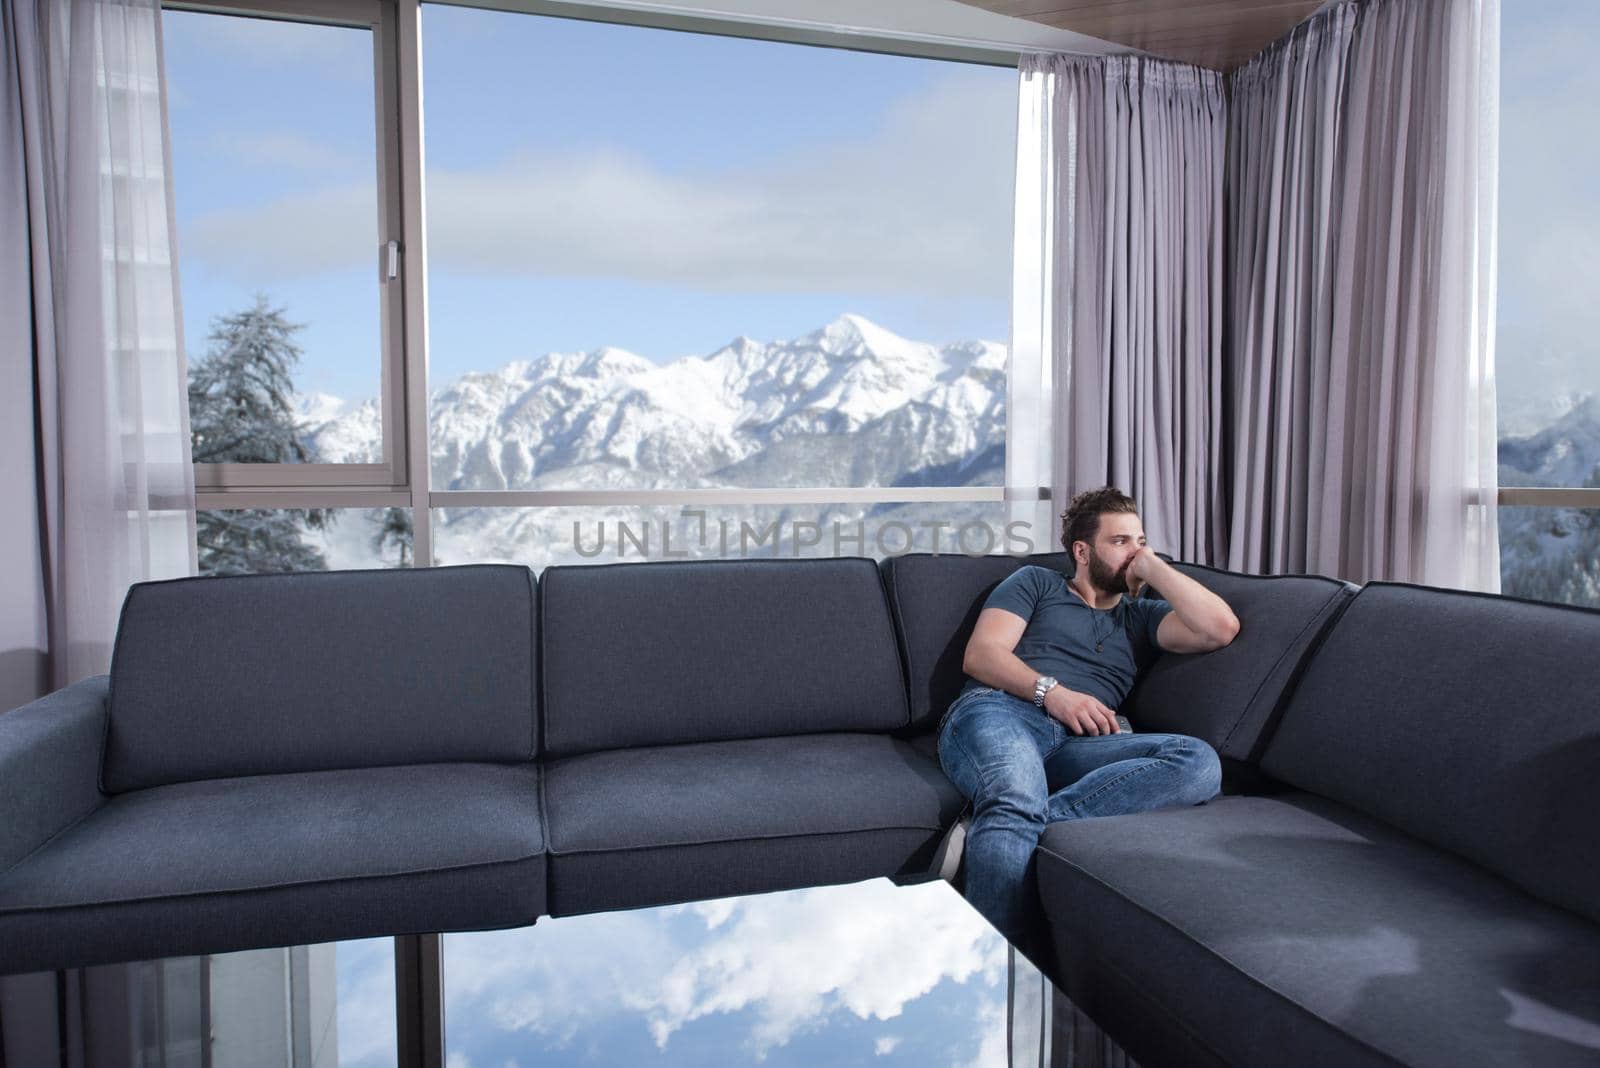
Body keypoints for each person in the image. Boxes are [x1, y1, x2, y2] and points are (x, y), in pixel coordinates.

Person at [935, 486, 1239, 958]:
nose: (1134, 551)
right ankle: (1005, 966)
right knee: (1016, 794)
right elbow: (982, 655)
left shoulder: (1140, 618)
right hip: (1001, 711)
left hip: (1081, 743)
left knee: (1199, 762)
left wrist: (1153, 568)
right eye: (1120, 542)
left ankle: (1009, 827)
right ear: (1082, 550)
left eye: (1140, 541)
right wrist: (1053, 694)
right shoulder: (1035, 583)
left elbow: (1220, 628)